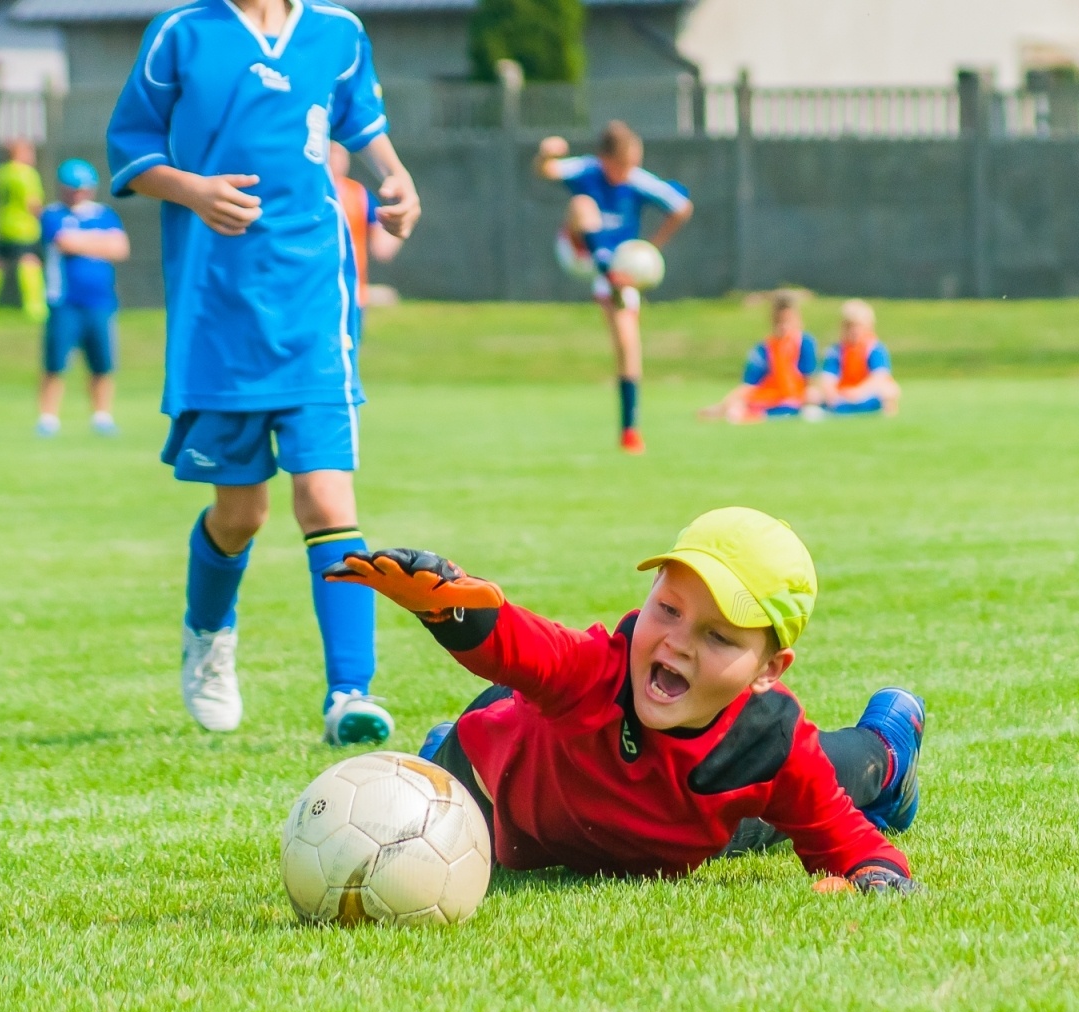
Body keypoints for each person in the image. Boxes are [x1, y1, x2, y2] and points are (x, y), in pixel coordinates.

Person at [107, 0, 421, 744]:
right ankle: (209, 638)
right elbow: (132, 145)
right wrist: (193, 189)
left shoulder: (337, 32)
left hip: (313, 304)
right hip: (217, 314)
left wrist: (397, 180)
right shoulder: (181, 34)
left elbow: (364, 122)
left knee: (325, 497)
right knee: (241, 513)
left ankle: (350, 695)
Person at [323, 507, 926, 894]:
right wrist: (452, 609)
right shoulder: (597, 671)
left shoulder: (769, 743)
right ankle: (441, 751)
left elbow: (847, 843)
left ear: (769, 669)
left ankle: (891, 745)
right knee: (456, 759)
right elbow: (523, 645)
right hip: (494, 782)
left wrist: (879, 877)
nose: (678, 643)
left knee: (833, 777)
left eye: (718, 636)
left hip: (673, 836)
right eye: (668, 609)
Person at [535, 122, 694, 455]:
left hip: (620, 269)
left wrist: (652, 248)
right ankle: (606, 265)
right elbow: (545, 170)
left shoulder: (637, 180)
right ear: (605, 158)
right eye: (622, 165)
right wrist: (545, 152)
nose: (628, 172)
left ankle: (629, 430)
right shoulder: (586, 171)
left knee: (627, 339)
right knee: (582, 205)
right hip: (579, 252)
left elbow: (681, 207)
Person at [36, 158, 131, 438]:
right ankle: (48, 418)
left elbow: (120, 248)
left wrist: (84, 242)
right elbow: (65, 242)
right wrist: (99, 242)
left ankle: (102, 416)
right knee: (55, 362)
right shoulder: (52, 214)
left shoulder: (104, 214)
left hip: (100, 302)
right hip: (64, 301)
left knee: (102, 363)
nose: (78, 194)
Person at [699, 290, 819, 423]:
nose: (784, 326)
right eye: (780, 320)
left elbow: (808, 379)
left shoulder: (804, 343)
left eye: (788, 320)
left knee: (812, 398)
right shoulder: (765, 348)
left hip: (794, 398)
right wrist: (723, 405)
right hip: (771, 397)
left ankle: (751, 414)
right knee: (741, 404)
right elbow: (750, 384)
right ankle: (736, 411)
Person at [0, 139, 48, 322]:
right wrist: (45, 218)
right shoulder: (27, 174)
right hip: (24, 227)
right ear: (20, 153)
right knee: (29, 262)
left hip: (2, 225)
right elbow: (33, 204)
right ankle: (34, 307)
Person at [329, 141, 403, 313]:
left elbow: (382, 249)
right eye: (331, 153)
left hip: (353, 293)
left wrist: (399, 218)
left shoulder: (359, 195)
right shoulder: (307, 195)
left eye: (340, 154)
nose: (335, 160)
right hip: (315, 292)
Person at [819, 299, 900, 416]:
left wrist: (859, 391)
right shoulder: (837, 351)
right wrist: (831, 392)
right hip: (843, 391)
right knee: (813, 395)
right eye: (849, 327)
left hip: (866, 391)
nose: (854, 331)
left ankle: (885, 413)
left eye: (858, 327)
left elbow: (879, 376)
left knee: (890, 390)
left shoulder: (874, 348)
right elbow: (828, 377)